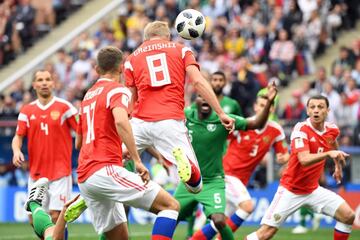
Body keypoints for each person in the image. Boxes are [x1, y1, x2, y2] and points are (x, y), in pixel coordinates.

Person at [68, 46, 179, 240]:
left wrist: (116, 150)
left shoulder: (87, 97)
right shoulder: (118, 90)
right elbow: (121, 121)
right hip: (104, 170)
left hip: (85, 177)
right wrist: (137, 159)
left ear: (96, 69)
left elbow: (79, 143)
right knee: (170, 206)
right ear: (121, 67)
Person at [124, 21, 235, 194]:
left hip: (139, 123)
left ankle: (87, 194)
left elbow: (131, 99)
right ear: (167, 36)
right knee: (195, 187)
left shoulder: (131, 59)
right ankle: (185, 162)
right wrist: (220, 112)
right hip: (169, 121)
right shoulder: (182, 50)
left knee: (112, 163)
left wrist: (126, 124)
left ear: (145, 38)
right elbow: (198, 82)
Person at [245, 95, 355, 240]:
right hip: (290, 190)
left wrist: (337, 166)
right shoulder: (300, 129)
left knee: (348, 216)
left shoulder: (332, 129)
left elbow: (333, 143)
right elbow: (304, 159)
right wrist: (329, 153)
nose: (316, 110)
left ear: (327, 111)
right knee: (265, 234)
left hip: (313, 190)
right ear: (307, 111)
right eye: (312, 107)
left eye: (320, 107)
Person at [191, 87, 289, 239]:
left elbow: (283, 154)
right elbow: (220, 139)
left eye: (267, 106)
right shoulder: (243, 124)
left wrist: (284, 158)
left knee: (219, 222)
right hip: (226, 174)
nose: (263, 108)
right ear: (255, 106)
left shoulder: (276, 130)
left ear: (272, 109)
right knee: (247, 206)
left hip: (241, 181)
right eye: (261, 105)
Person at [12, 70, 78, 237]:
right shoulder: (27, 111)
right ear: (34, 85)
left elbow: (82, 132)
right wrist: (16, 150)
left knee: (57, 216)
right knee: (34, 219)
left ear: (53, 83)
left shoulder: (65, 107)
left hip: (60, 173)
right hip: (36, 173)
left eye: (48, 79)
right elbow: (18, 137)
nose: (44, 83)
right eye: (40, 80)